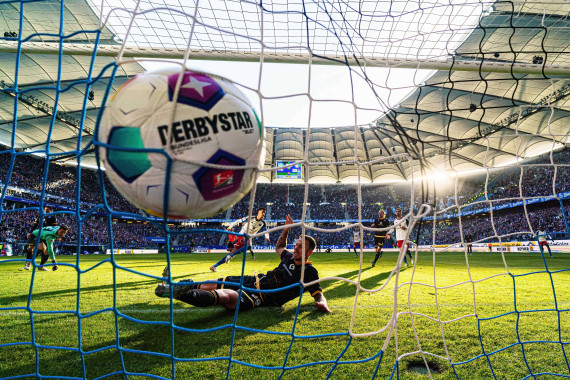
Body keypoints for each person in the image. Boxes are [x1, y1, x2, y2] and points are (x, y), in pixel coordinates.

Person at [156, 214, 331, 313]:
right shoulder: (288, 257)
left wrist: (322, 302)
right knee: (214, 283)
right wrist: (285, 230)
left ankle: (176, 293)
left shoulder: (309, 271)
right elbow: (280, 247)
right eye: (297, 245)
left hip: (263, 296)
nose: (296, 248)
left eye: (301, 248)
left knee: (225, 296)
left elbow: (318, 293)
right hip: (254, 280)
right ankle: (176, 287)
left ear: (309, 253)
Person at [210, 207, 270, 272]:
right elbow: (238, 221)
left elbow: (266, 231)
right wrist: (230, 227)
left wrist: (267, 237)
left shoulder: (263, 223)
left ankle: (214, 266)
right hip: (242, 234)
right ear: (258, 212)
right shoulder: (250, 218)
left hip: (248, 237)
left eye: (264, 213)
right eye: (262, 212)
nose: (263, 214)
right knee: (249, 246)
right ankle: (230, 256)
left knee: (232, 253)